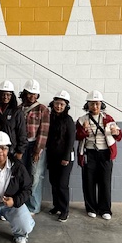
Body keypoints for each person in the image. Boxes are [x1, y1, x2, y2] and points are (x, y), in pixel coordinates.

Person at [76, 90, 122, 220]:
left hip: (105, 154)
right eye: (92, 104)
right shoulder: (82, 120)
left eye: (97, 104)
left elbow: (119, 136)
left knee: (105, 182)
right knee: (89, 182)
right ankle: (91, 208)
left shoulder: (108, 119)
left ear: (101, 104)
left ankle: (105, 209)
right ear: (87, 105)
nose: (95, 107)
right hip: (89, 153)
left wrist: (115, 132)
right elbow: (77, 136)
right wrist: (84, 131)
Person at [19, 79, 50, 214]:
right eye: (29, 93)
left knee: (35, 175)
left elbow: (44, 131)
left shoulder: (42, 109)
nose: (32, 96)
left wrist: (38, 149)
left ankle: (33, 206)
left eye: (34, 94)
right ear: (25, 93)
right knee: (23, 174)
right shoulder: (20, 108)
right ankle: (22, 203)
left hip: (35, 146)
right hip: (22, 145)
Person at [46, 90, 76, 222]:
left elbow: (70, 140)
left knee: (62, 184)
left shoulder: (68, 120)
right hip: (52, 156)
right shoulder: (50, 118)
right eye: (57, 103)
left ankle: (65, 210)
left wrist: (66, 158)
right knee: (54, 182)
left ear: (66, 106)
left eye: (62, 104)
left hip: (65, 158)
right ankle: (57, 206)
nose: (58, 106)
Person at [0, 80, 28, 160]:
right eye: (3, 94)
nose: (5, 97)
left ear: (12, 96)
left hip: (12, 152)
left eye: (8, 94)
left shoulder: (17, 112)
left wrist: (20, 152)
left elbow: (22, 134)